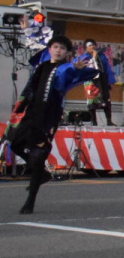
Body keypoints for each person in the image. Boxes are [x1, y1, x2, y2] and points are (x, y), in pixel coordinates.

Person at [4, 35, 97, 213]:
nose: (58, 50)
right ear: (50, 49)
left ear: (68, 53)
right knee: (14, 143)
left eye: (62, 48)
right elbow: (33, 81)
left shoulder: (64, 68)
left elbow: (67, 72)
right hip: (31, 112)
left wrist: (75, 67)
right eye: (55, 47)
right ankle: (42, 174)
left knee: (38, 154)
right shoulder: (43, 65)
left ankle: (30, 200)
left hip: (48, 116)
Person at [83, 39, 117, 126]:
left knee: (106, 100)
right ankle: (94, 121)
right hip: (91, 82)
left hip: (102, 80)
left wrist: (111, 81)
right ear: (86, 48)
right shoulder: (84, 57)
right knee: (92, 101)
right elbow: (88, 68)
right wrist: (93, 57)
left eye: (93, 45)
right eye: (90, 45)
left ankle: (109, 121)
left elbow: (108, 69)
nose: (92, 47)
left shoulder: (102, 56)